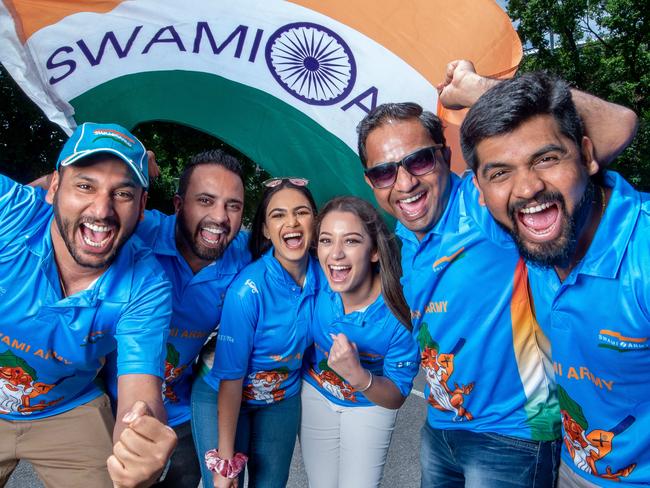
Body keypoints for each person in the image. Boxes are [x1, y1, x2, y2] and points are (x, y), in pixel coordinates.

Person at [355, 76, 634, 486]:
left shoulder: (483, 204)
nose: (404, 182)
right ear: (370, 181)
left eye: (419, 161)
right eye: (383, 172)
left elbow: (618, 127)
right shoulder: (401, 238)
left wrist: (481, 90)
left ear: (445, 156)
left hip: (513, 435)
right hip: (441, 427)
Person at [459, 71, 646, 487]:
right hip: (574, 468)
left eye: (546, 158)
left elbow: (621, 123)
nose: (527, 188)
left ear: (586, 154)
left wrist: (478, 87)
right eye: (500, 172)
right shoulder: (515, 227)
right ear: (480, 189)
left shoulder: (642, 256)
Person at [0, 122, 177, 488]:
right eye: (85, 185)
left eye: (123, 194)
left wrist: (141, 439)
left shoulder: (148, 284)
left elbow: (139, 393)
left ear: (143, 207)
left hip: (68, 407)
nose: (101, 209)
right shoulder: (10, 212)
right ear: (54, 188)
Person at [102, 149, 251, 487]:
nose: (220, 217)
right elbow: (46, 204)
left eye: (233, 205)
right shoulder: (141, 230)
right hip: (104, 402)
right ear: (178, 204)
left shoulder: (246, 255)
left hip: (179, 412)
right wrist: (128, 157)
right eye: (205, 200)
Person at [208, 178, 321, 488]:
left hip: (282, 396)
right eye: (278, 215)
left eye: (302, 212)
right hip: (226, 395)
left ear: (315, 220)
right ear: (265, 230)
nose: (292, 222)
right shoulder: (248, 290)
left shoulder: (327, 276)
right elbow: (231, 379)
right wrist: (226, 463)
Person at [300, 196, 420, 488]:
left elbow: (396, 397)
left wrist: (359, 376)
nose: (336, 254)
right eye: (326, 241)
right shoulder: (314, 279)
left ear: (375, 252)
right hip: (316, 394)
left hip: (369, 404)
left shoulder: (399, 313)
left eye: (351, 241)